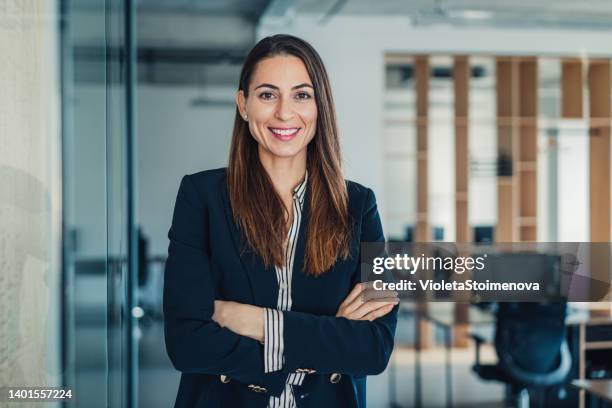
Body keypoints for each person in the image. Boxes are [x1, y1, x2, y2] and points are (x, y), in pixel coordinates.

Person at [163, 34, 399, 408]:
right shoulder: (202, 197)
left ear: (320, 106)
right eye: (268, 95)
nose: (285, 113)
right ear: (243, 104)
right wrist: (326, 341)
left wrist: (250, 320)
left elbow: (373, 349)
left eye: (301, 95)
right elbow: (187, 344)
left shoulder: (359, 206)